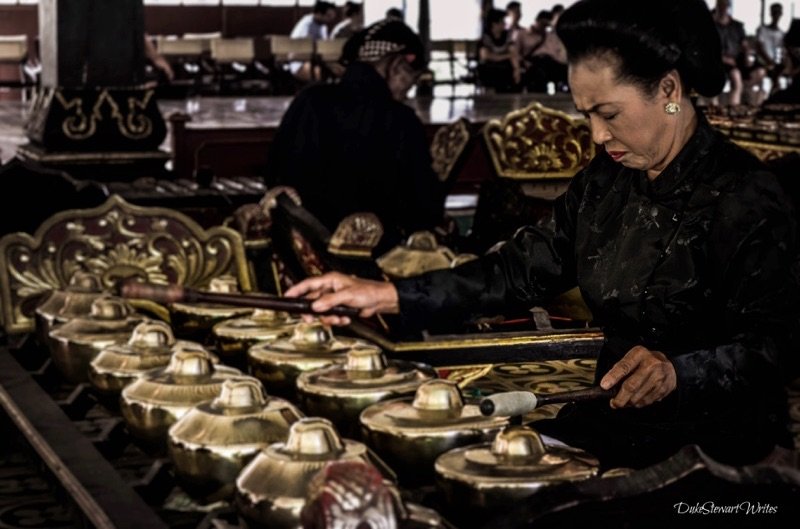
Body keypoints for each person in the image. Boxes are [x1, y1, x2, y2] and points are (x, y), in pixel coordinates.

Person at [286, 0, 800, 470]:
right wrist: (392, 295)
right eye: (586, 115)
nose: (597, 136)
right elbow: (518, 269)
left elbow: (777, 345)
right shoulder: (609, 179)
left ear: (669, 91)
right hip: (615, 420)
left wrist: (677, 373)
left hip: (715, 453)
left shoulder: (746, 194)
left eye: (609, 114)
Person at [265, 20, 445, 252]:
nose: (407, 91)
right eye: (411, 80)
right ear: (397, 65)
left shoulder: (309, 101)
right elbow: (423, 209)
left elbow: (274, 175)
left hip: (303, 254)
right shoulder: (401, 120)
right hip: (373, 264)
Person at [290, 1, 337, 82]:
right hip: (300, 62)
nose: (330, 19)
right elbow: (302, 49)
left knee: (339, 70)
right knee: (320, 75)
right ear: (318, 13)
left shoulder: (323, 26)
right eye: (328, 16)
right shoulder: (306, 25)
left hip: (318, 60)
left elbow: (325, 46)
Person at [478, 8, 521, 93]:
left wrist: (517, 69)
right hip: (490, 67)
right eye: (502, 21)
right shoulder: (486, 38)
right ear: (494, 24)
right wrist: (506, 56)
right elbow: (486, 56)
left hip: (504, 67)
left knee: (511, 73)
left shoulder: (507, 36)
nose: (505, 24)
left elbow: (513, 52)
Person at [713, 0, 747, 105]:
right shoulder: (710, 25)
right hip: (715, 62)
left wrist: (746, 54)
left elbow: (744, 44)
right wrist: (722, 58)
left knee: (737, 80)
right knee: (714, 81)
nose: (723, 8)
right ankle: (713, 110)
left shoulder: (737, 26)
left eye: (725, 5)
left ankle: (734, 108)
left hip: (733, 63)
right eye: (720, 5)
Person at [757, 3, 786, 95]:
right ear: (771, 13)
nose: (776, 15)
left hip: (776, 65)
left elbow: (782, 52)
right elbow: (759, 48)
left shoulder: (782, 34)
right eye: (774, 12)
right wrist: (770, 62)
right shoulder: (762, 30)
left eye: (778, 12)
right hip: (763, 63)